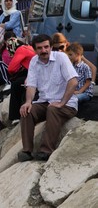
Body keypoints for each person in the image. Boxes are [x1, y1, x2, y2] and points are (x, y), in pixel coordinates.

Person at [18, 34, 78, 162]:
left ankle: (46, 150)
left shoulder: (61, 57)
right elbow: (31, 85)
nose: (44, 50)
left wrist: (62, 103)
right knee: (26, 111)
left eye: (46, 47)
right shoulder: (34, 61)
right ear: (35, 49)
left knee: (52, 109)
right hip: (45, 102)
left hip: (67, 104)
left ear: (51, 47)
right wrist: (28, 102)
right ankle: (27, 150)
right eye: (40, 48)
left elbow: (73, 82)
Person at [5, 37, 36, 123]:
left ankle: (15, 116)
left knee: (15, 84)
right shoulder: (28, 47)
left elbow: (11, 68)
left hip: (32, 74)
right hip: (33, 72)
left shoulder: (21, 50)